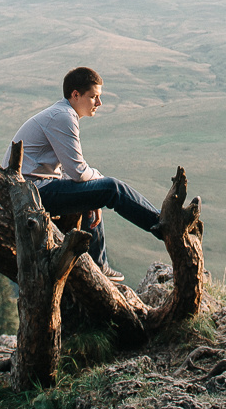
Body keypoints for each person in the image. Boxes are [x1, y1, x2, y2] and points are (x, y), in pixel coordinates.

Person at [9, 66, 163, 281]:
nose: (99, 103)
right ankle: (161, 225)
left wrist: (92, 193)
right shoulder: (63, 116)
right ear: (75, 94)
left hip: (36, 188)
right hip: (32, 193)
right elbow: (78, 172)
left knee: (96, 191)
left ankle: (99, 265)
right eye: (93, 97)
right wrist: (97, 183)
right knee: (111, 188)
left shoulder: (61, 113)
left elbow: (71, 172)